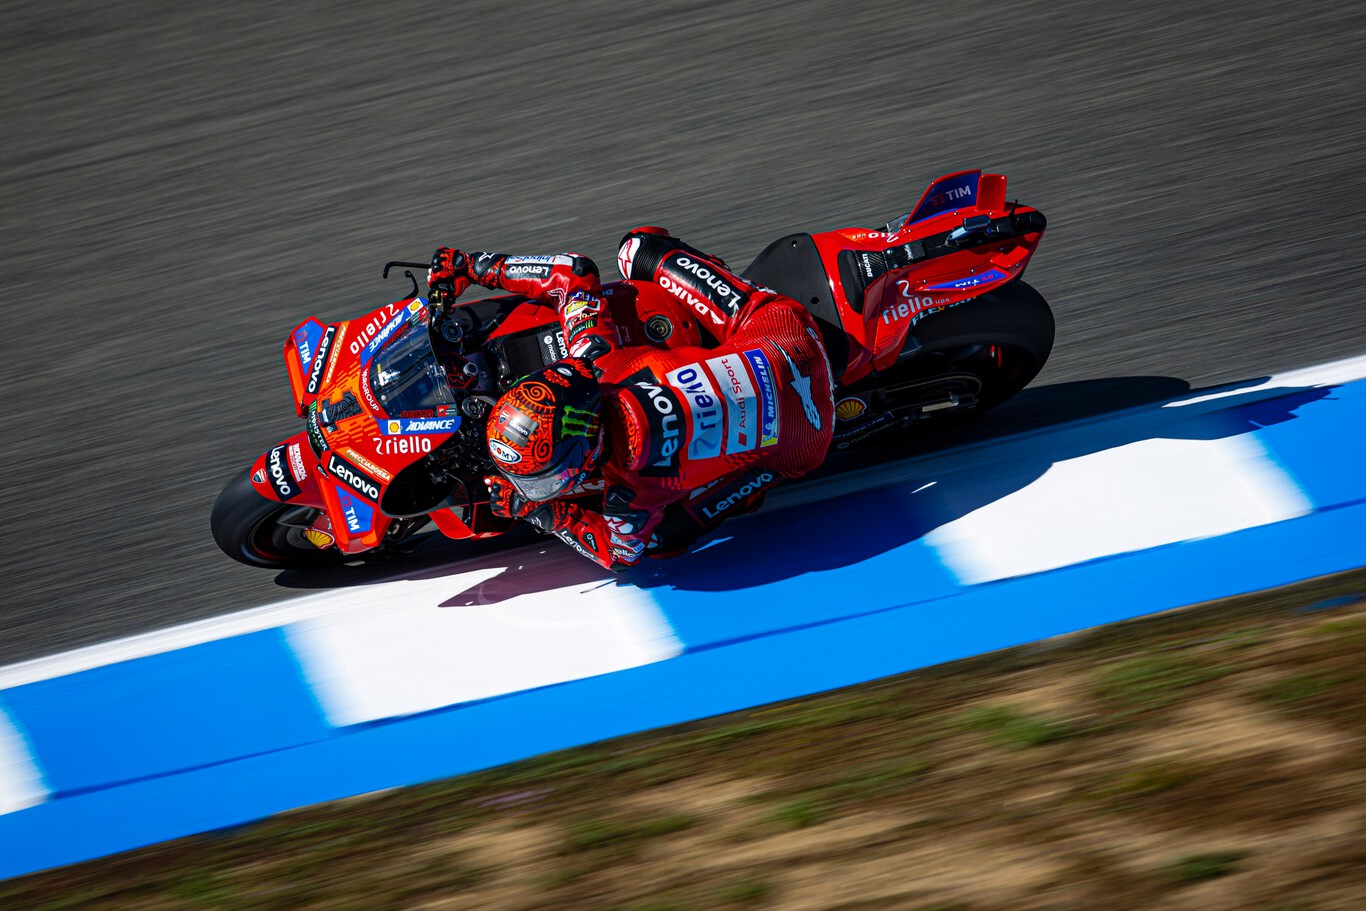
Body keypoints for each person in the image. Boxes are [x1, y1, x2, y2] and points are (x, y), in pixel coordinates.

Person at [426, 227, 835, 570]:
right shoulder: (597, 360)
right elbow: (575, 272)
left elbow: (622, 557)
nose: (546, 486)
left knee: (659, 541)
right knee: (636, 248)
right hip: (784, 334)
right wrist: (474, 265)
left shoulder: (632, 492)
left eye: (549, 477)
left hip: (807, 444)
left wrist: (541, 511)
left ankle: (763, 477)